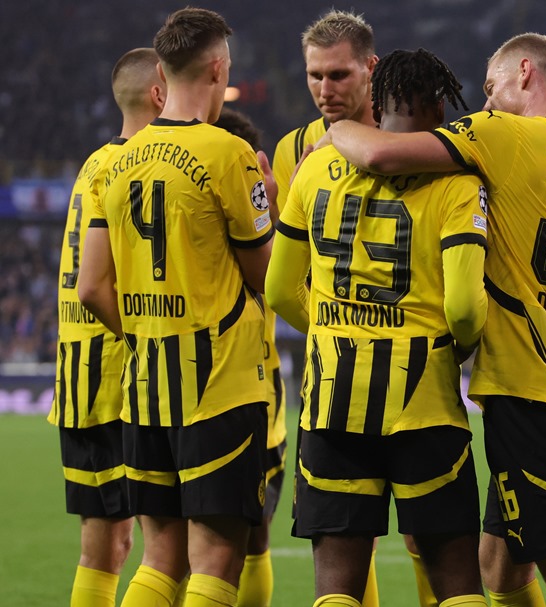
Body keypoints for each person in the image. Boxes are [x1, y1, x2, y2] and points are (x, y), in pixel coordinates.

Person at [319, 33, 546, 607]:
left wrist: (335, 126)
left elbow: (384, 154)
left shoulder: (504, 135)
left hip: (531, 393)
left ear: (527, 72)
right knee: (502, 567)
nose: (484, 104)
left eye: (491, 88)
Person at [266, 48, 489, 607]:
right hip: (424, 402)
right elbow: (464, 306)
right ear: (439, 105)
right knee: (456, 582)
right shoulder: (456, 180)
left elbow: (277, 289)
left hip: (332, 400)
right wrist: (457, 349)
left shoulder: (314, 166)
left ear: (378, 96)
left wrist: (333, 331)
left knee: (338, 584)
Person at [78, 8, 274, 607]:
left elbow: (93, 287)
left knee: (159, 559)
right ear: (218, 68)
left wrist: (142, 335)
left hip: (145, 387)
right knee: (216, 560)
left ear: (162, 72)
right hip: (218, 386)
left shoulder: (115, 162)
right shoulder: (228, 154)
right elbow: (264, 273)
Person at [49, 46, 165, 607]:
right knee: (171, 549)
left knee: (104, 549)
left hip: (79, 377)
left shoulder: (93, 164)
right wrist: (148, 337)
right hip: (124, 380)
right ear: (161, 94)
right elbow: (98, 287)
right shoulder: (141, 167)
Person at [211, 106, 286, 607]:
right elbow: (279, 281)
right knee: (244, 546)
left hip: (182, 397)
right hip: (253, 406)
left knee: (177, 551)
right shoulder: (258, 229)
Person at [271, 9, 377, 211]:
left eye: (338, 75)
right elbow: (292, 241)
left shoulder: (405, 135)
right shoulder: (293, 148)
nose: (326, 91)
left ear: (371, 67)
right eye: (316, 76)